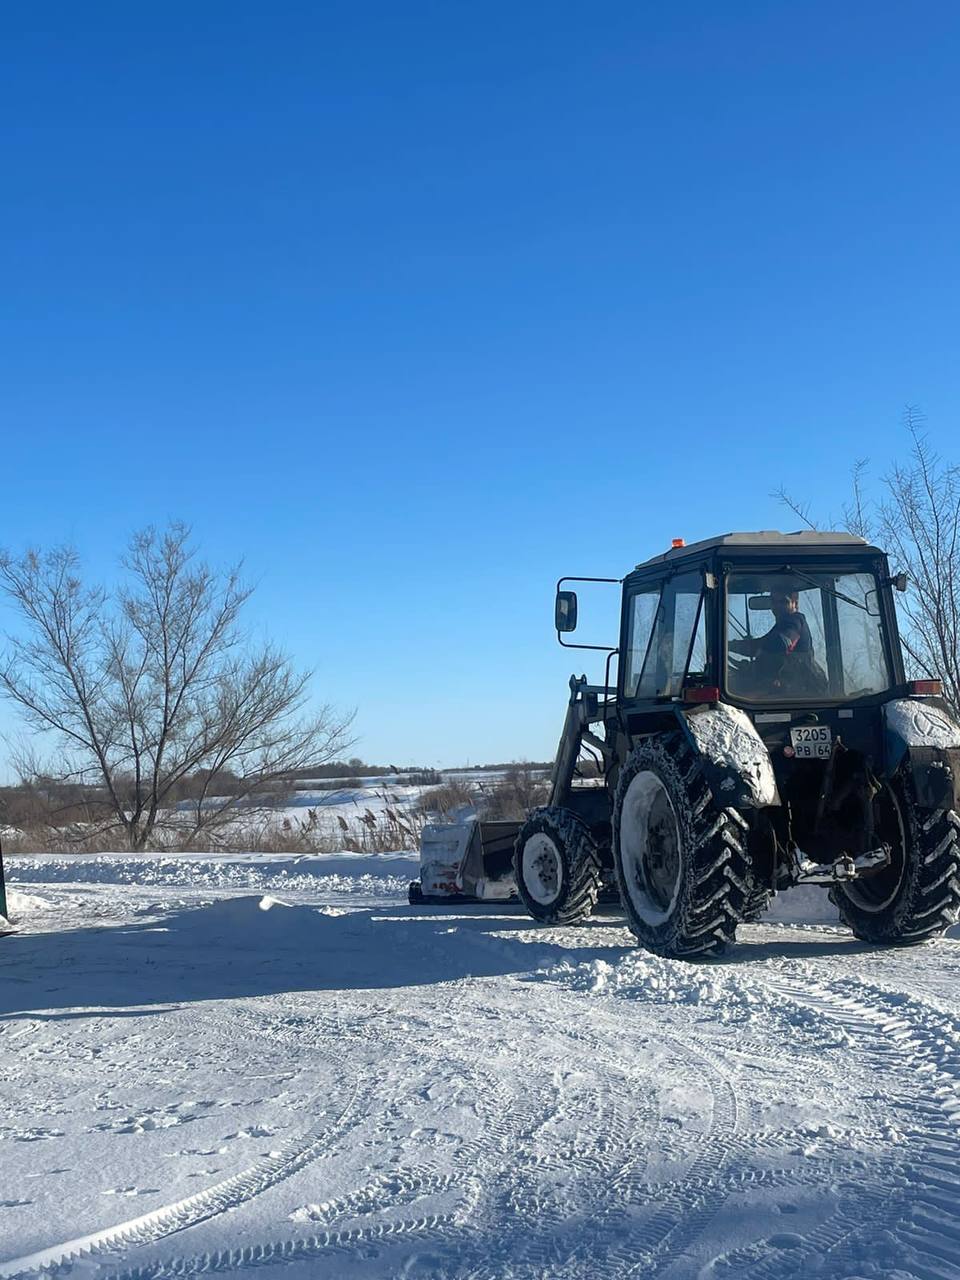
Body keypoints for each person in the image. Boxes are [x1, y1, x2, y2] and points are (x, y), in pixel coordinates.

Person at [729, 588, 825, 694]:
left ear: (795, 603)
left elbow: (781, 643)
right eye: (773, 602)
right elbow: (763, 644)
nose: (777, 606)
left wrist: (730, 646)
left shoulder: (794, 621)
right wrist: (731, 646)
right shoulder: (781, 626)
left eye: (783, 602)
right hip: (790, 686)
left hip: (797, 691)